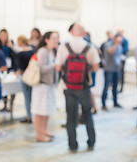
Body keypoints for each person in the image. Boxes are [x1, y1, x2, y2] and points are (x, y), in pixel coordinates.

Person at [56, 23, 100, 152]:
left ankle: (72, 144)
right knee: (87, 114)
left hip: (68, 86)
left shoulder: (64, 47)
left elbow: (58, 67)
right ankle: (91, 142)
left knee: (71, 116)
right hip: (84, 86)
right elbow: (96, 67)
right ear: (83, 32)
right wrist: (85, 67)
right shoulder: (89, 47)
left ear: (72, 32)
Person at [31, 32, 58, 142]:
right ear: (46, 39)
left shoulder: (52, 51)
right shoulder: (42, 51)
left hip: (50, 85)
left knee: (47, 110)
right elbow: (42, 69)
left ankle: (44, 130)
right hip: (42, 85)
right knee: (40, 111)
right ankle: (39, 135)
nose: (56, 40)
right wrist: (55, 65)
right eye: (54, 38)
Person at [0, 29, 17, 113]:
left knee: (13, 86)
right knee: (4, 87)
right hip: (2, 68)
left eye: (5, 35)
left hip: (11, 68)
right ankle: (5, 104)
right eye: (2, 35)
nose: (4, 37)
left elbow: (16, 54)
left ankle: (11, 104)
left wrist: (11, 47)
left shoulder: (11, 44)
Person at [102, 33, 123, 110]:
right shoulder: (108, 44)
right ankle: (103, 103)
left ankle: (115, 102)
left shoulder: (120, 46)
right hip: (109, 69)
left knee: (115, 87)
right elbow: (111, 52)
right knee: (106, 86)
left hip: (117, 69)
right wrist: (116, 44)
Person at [16, 36, 35, 123]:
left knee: (27, 97)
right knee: (32, 96)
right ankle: (33, 114)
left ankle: (29, 116)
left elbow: (20, 69)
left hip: (25, 76)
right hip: (33, 75)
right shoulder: (33, 51)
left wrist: (17, 73)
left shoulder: (21, 54)